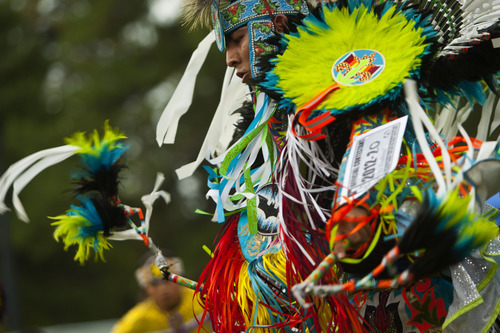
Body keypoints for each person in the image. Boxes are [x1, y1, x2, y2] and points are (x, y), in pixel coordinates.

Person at [159, 0, 500, 331]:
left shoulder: (345, 77)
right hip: (337, 288)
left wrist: (357, 211)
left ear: (274, 26)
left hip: (399, 253)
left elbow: (372, 145)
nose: (231, 59)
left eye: (237, 40)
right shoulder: (266, 123)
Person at [112, 253, 210, 333]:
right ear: (146, 288)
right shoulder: (137, 320)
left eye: (168, 281)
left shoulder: (205, 296)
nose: (163, 289)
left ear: (180, 279)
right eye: (154, 284)